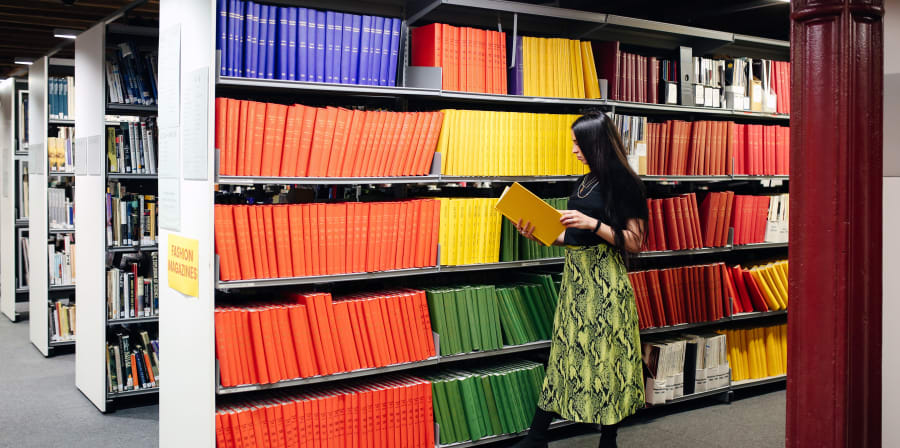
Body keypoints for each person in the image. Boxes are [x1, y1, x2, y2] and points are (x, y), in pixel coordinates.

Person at [511, 112, 648, 448]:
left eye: (578, 142)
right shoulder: (585, 181)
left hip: (605, 282)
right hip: (576, 280)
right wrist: (539, 234)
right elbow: (573, 239)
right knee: (564, 352)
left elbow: (635, 241)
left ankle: (608, 440)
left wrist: (592, 224)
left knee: (607, 355)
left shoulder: (624, 182)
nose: (573, 149)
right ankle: (537, 437)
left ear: (595, 144)